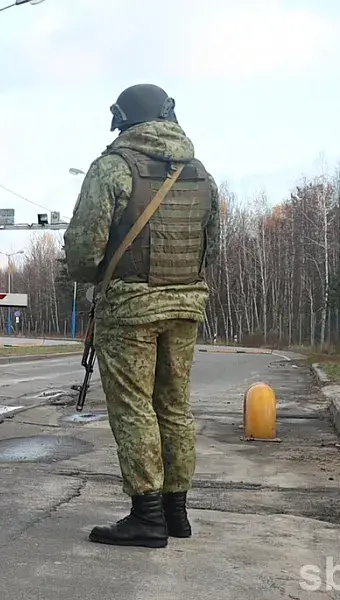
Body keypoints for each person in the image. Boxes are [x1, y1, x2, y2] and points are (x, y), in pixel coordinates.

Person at [63, 83, 221, 548]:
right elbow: (211, 245)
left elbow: (84, 250)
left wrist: (95, 273)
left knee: (134, 407)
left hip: (131, 308)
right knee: (174, 406)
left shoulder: (113, 168)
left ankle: (147, 517)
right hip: (185, 305)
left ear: (123, 120)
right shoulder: (201, 174)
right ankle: (177, 514)